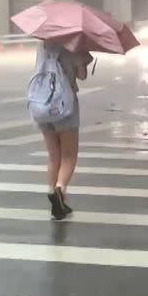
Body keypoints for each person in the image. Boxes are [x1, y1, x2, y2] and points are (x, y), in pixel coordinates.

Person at [35, 41, 93, 220]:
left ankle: (56, 198)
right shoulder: (75, 45)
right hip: (64, 106)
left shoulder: (43, 45)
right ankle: (59, 190)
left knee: (54, 156)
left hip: (42, 104)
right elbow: (82, 76)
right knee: (69, 156)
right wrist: (84, 59)